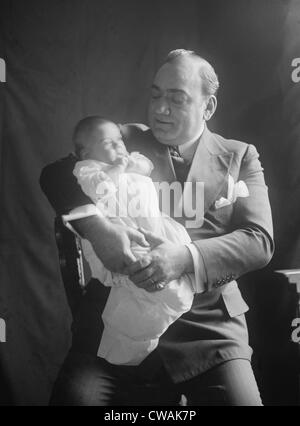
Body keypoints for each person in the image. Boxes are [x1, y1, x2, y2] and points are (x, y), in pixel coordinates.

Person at [40, 49, 274, 406]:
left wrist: (183, 257)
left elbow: (259, 240)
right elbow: (56, 174)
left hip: (208, 328)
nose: (160, 108)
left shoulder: (240, 156)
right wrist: (99, 229)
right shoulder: (125, 141)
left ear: (208, 107)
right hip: (116, 320)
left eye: (177, 99)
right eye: (155, 95)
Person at [68, 116, 196, 366]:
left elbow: (146, 166)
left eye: (119, 141)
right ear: (86, 152)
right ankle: (132, 340)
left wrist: (133, 165)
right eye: (108, 143)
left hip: (155, 223)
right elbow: (98, 190)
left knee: (180, 250)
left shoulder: (130, 159)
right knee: (143, 281)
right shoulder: (88, 168)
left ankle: (160, 310)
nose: (119, 147)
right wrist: (116, 169)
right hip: (125, 230)